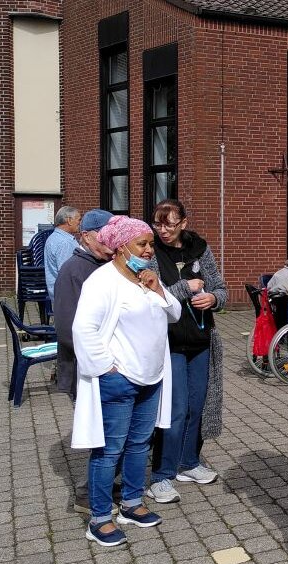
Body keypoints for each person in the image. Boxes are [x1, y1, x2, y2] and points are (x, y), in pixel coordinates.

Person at [71, 216, 182, 547]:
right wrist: (107, 368)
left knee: (139, 444)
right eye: (142, 244)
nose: (149, 250)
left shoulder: (144, 279)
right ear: (120, 248)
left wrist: (158, 287)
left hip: (152, 377)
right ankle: (100, 518)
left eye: (150, 244)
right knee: (109, 450)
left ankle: (132, 504)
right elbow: (83, 329)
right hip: (119, 380)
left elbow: (174, 312)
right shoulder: (102, 282)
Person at [145, 200, 228, 505]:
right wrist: (186, 286)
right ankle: (161, 475)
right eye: (158, 223)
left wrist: (213, 299)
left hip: (202, 340)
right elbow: (153, 293)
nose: (163, 230)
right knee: (174, 409)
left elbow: (221, 288)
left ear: (182, 223)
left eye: (169, 224)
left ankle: (189, 463)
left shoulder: (199, 248)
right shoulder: (150, 250)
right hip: (170, 342)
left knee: (198, 404)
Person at [54, 209, 116, 401]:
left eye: (114, 235)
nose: (111, 241)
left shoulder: (107, 265)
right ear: (86, 237)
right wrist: (103, 361)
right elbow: (67, 329)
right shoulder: (73, 270)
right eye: (104, 236)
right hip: (87, 368)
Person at [45, 206, 83, 299]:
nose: (80, 223)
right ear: (69, 220)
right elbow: (67, 273)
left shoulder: (54, 237)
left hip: (59, 294)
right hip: (67, 296)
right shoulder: (65, 242)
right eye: (79, 219)